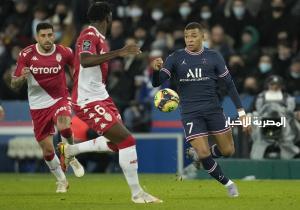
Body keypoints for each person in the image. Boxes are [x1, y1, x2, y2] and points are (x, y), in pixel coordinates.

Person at [57, 2, 162, 203]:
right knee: (128, 141)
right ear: (108, 17)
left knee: (116, 144)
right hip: (87, 100)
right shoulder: (89, 35)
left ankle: (70, 150)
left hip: (102, 97)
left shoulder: (99, 38)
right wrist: (119, 52)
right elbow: (86, 60)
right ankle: (137, 194)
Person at [151, 22, 250, 197]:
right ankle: (228, 184)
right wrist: (155, 70)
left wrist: (241, 112)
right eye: (187, 36)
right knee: (204, 152)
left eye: (194, 36)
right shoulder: (175, 57)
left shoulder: (214, 56)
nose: (189, 40)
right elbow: (157, 82)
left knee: (228, 151)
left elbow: (229, 84)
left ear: (203, 37)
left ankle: (198, 157)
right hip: (190, 112)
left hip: (214, 110)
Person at [10, 22, 84, 193]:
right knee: (48, 150)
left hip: (60, 98)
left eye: (50, 35)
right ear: (37, 37)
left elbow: (76, 71)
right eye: (43, 36)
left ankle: (70, 154)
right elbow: (14, 84)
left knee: (64, 124)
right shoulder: (26, 54)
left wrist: (79, 87)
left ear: (54, 35)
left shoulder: (64, 52)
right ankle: (62, 180)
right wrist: (22, 77)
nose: (47, 39)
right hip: (38, 106)